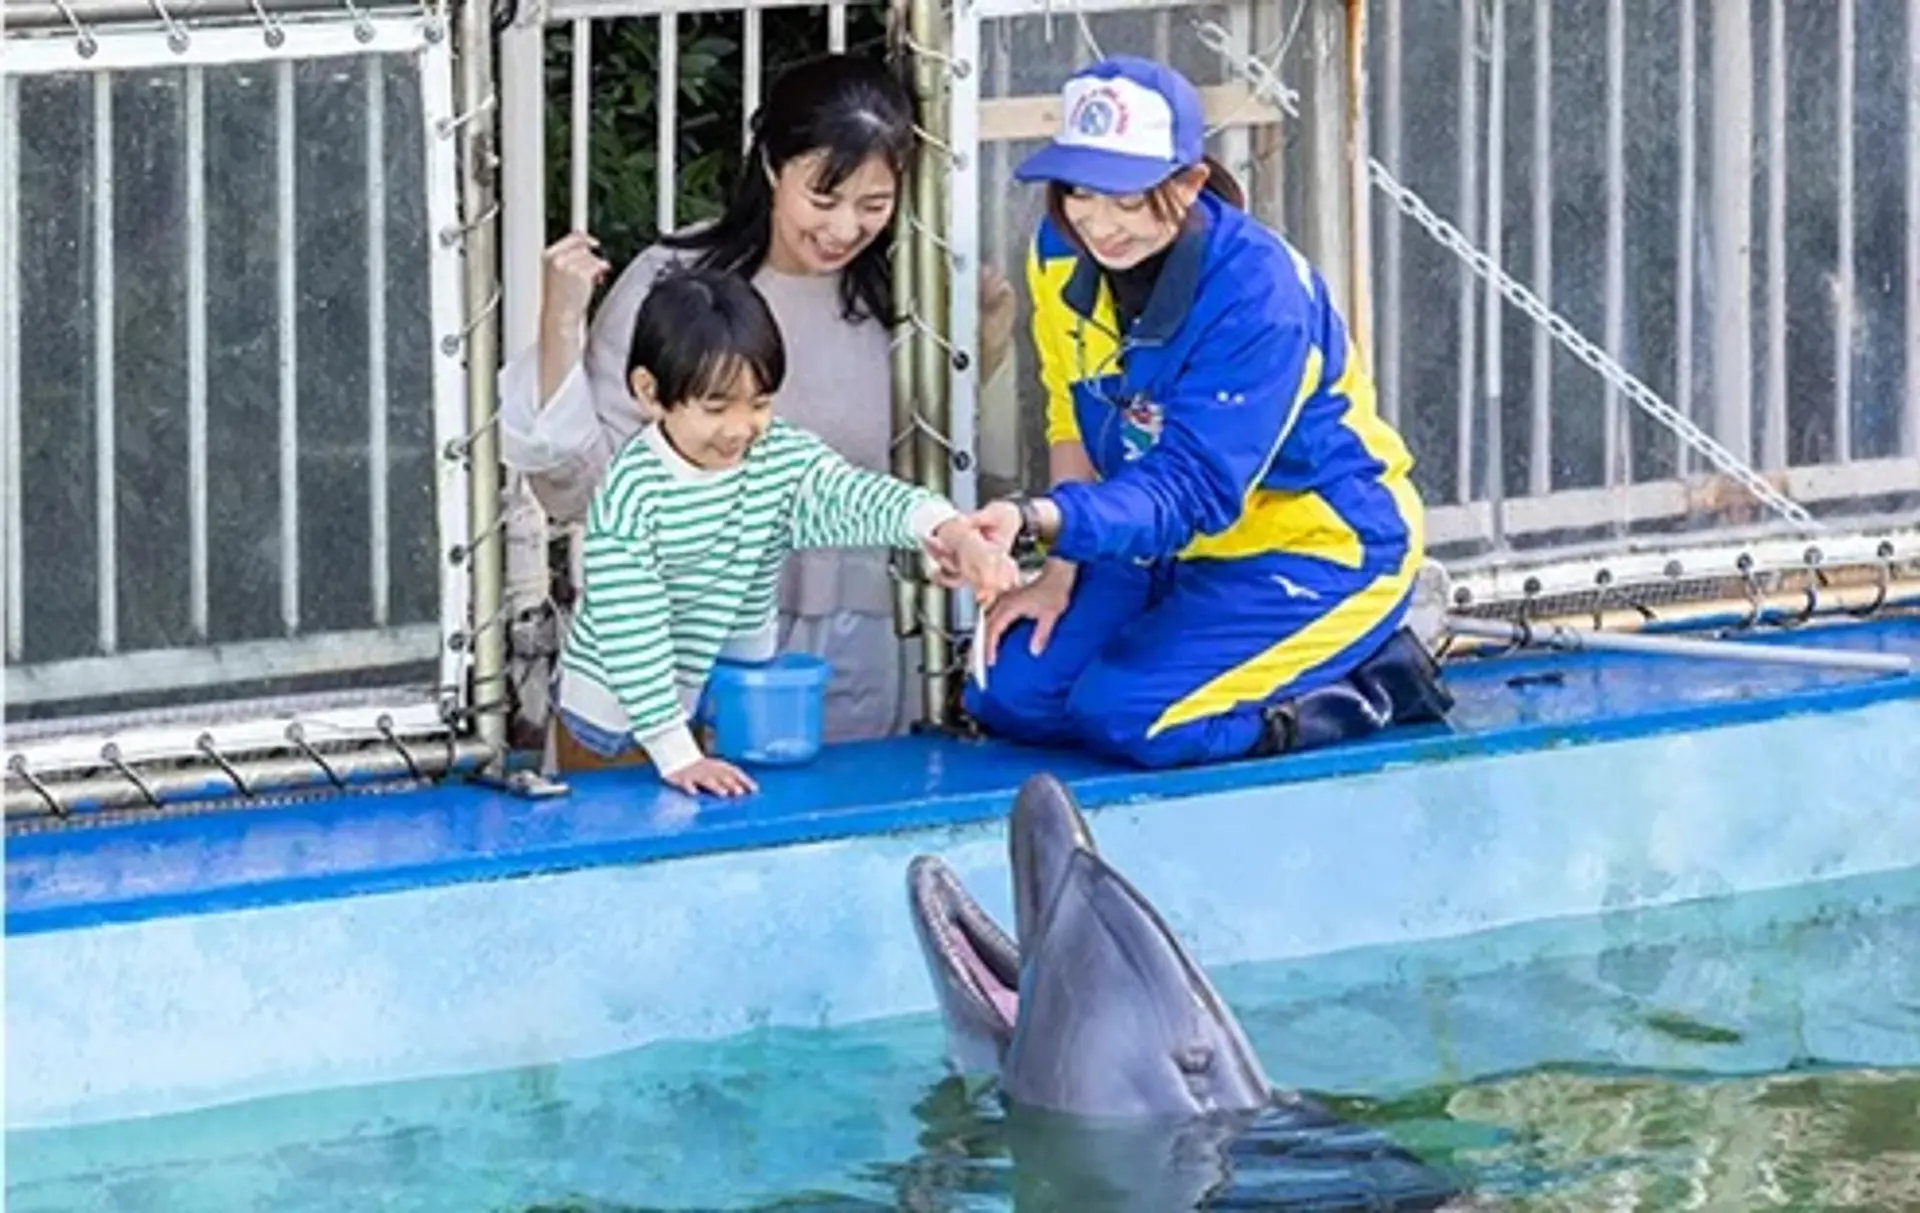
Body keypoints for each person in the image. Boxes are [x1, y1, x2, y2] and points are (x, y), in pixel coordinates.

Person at [499, 53, 1017, 748]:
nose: (843, 230)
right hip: (685, 646)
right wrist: (560, 323)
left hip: (854, 650)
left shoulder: (903, 297)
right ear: (773, 166)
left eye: (873, 205)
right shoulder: (679, 285)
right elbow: (580, 490)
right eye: (823, 198)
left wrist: (981, 347)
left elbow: (922, 469)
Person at [957, 56, 1453, 770]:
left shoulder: (1259, 296)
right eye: (1081, 192)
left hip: (1314, 544)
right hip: (1161, 541)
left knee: (1131, 718)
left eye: (1129, 198)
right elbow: (1071, 412)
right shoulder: (1060, 249)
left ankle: (1370, 682)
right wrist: (1060, 570)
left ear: (1188, 184)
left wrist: (1039, 519)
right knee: (1010, 695)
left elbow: (1192, 491)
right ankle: (1195, 646)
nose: (1101, 223)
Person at [549, 265, 1018, 797]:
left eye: (760, 403)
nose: (740, 428)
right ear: (649, 392)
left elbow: (853, 495)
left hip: (708, 697)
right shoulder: (633, 493)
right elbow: (633, 632)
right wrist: (675, 750)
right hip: (614, 715)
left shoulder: (776, 458)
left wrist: (948, 531)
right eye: (717, 407)